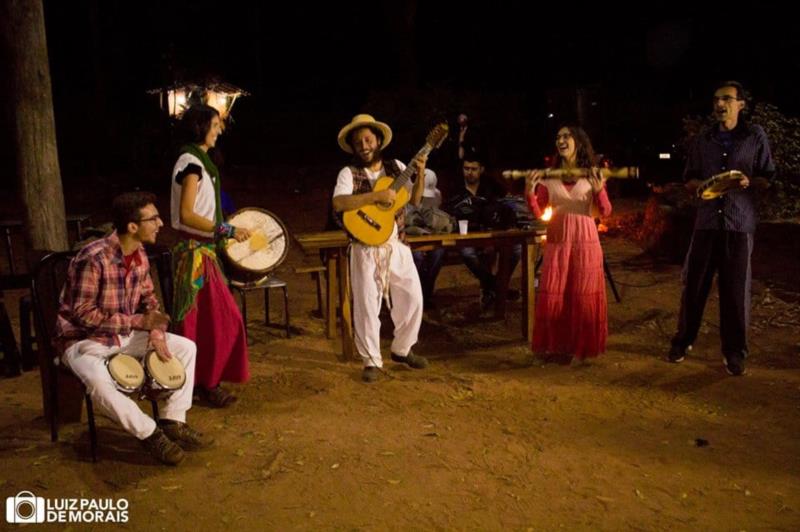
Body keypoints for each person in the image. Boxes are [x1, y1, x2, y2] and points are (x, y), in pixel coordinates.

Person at [55, 192, 211, 465]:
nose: (160, 223)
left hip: (121, 336)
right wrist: (137, 322)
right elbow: (82, 315)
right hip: (83, 342)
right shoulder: (93, 258)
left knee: (185, 348)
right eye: (153, 219)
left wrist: (156, 332)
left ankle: (172, 420)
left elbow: (149, 299)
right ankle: (151, 435)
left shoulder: (139, 254)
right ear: (132, 226)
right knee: (100, 386)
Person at [668, 81, 774, 376]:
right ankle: (683, 341)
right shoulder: (704, 139)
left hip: (739, 224)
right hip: (706, 223)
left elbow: (767, 176)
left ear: (741, 104)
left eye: (726, 99)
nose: (719, 104)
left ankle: (734, 352)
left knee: (735, 291)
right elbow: (689, 177)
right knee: (694, 286)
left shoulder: (755, 136)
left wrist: (749, 182)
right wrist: (700, 187)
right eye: (716, 99)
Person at [332, 114, 429, 383]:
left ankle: (402, 348)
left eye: (368, 139)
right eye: (358, 142)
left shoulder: (397, 167)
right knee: (366, 303)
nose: (363, 145)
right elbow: (339, 204)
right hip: (364, 246)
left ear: (378, 141)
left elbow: (415, 199)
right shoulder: (348, 173)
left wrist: (419, 174)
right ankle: (371, 360)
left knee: (413, 298)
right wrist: (376, 196)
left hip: (396, 243)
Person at [170, 104, 251, 406]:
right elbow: (187, 214)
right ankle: (202, 382)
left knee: (210, 322)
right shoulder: (191, 163)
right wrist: (226, 230)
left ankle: (204, 381)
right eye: (215, 124)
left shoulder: (200, 162)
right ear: (200, 126)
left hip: (203, 252)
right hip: (195, 255)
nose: (220, 130)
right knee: (218, 320)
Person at [526, 125, 612, 364]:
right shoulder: (549, 175)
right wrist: (530, 192)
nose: (560, 140)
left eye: (566, 136)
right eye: (558, 137)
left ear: (579, 142)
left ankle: (581, 349)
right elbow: (539, 212)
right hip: (558, 240)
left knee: (582, 296)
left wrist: (599, 191)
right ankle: (556, 346)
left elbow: (605, 211)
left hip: (586, 241)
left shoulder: (593, 173)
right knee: (557, 295)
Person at [445, 154, 521, 310]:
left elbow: (508, 202)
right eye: (466, 168)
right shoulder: (455, 187)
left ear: (481, 170)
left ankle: (492, 289)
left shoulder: (490, 185)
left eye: (474, 169)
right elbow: (447, 210)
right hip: (466, 234)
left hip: (493, 232)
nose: (470, 172)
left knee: (516, 248)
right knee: (467, 253)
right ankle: (498, 288)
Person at [408, 168, 447, 309]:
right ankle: (413, 295)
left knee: (438, 252)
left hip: (429, 235)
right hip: (410, 237)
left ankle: (426, 293)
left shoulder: (437, 195)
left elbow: (434, 217)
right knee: (417, 256)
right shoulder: (407, 193)